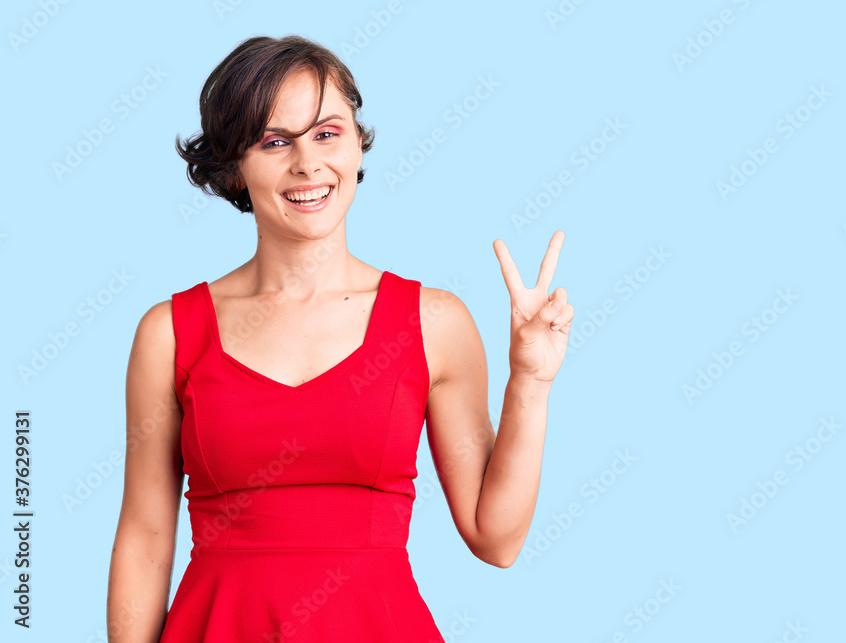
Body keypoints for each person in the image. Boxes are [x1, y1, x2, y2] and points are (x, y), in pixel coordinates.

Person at [106, 34, 574, 642]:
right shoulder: (170, 334)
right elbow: (144, 536)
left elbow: (498, 538)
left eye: (327, 133)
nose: (307, 164)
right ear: (233, 168)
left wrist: (531, 383)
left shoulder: (434, 323)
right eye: (275, 142)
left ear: (357, 144)